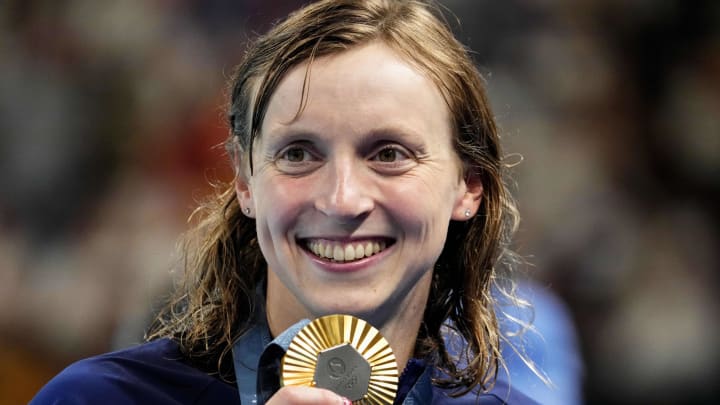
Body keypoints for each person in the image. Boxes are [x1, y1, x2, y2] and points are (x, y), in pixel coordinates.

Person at [31, 1, 561, 403]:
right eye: (300, 153)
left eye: (390, 153)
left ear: (469, 186)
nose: (342, 199)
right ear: (244, 180)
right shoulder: (99, 398)